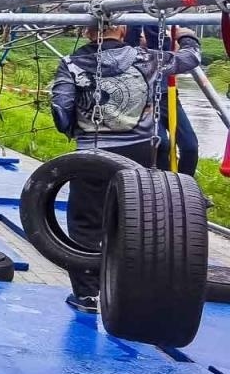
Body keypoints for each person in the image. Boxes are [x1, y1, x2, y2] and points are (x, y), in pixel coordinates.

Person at [51, 19, 201, 313]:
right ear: (121, 30)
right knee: (138, 222)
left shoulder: (71, 63)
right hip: (140, 152)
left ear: (86, 31)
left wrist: (74, 130)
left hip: (93, 153)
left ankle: (87, 295)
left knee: (85, 224)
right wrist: (187, 36)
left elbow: (61, 110)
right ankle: (131, 290)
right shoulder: (147, 58)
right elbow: (191, 59)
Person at [126, 23, 199, 174]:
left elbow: (185, 57)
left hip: (167, 97)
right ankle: (164, 185)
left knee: (190, 146)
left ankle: (185, 184)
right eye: (141, 35)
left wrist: (185, 37)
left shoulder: (161, 55)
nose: (143, 38)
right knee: (161, 145)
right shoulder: (130, 54)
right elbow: (133, 36)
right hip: (144, 102)